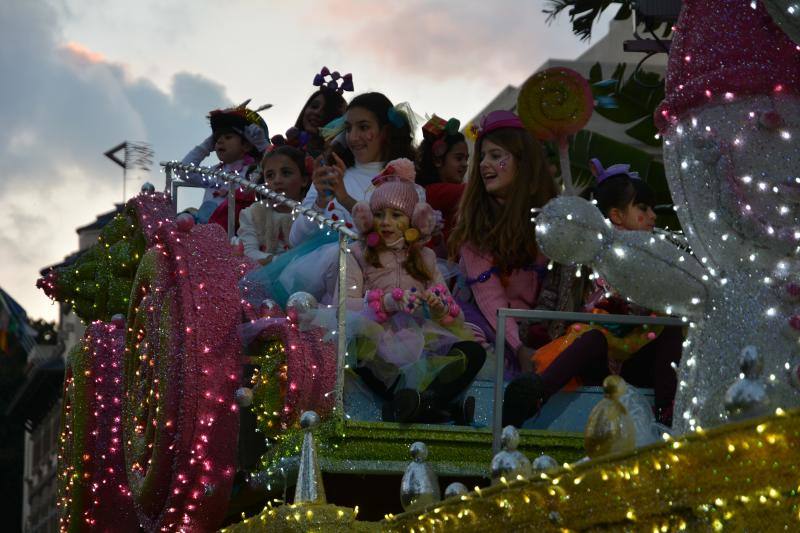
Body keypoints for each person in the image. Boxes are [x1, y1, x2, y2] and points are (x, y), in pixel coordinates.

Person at [502, 160, 683, 427]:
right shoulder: (577, 256)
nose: (653, 216)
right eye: (643, 208)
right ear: (617, 215)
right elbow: (549, 302)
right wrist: (532, 335)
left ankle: (667, 412)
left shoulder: (654, 258)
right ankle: (534, 395)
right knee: (593, 337)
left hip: (636, 358)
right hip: (594, 360)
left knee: (671, 326)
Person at [341, 159, 486, 424]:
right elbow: (343, 303)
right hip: (376, 337)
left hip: (422, 336)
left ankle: (423, 404)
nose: (386, 222)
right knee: (358, 352)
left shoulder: (426, 257)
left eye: (396, 215)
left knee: (474, 352)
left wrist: (440, 308)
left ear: (412, 221)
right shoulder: (358, 253)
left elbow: (453, 311)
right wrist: (386, 302)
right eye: (379, 214)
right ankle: (439, 410)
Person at [448, 110, 558, 376]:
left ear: (524, 163)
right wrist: (520, 347)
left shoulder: (552, 222)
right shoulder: (476, 228)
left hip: (539, 331)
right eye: (483, 156)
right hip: (487, 326)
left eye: (496, 156)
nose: (484, 164)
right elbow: (490, 299)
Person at [180, 101, 270, 225]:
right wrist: (206, 146)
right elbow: (182, 171)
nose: (220, 141)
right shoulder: (215, 172)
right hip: (204, 233)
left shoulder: (253, 171)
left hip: (235, 236)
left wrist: (262, 145)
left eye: (228, 137)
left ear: (247, 145)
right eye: (217, 139)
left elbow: (274, 168)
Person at [237, 145, 312, 264]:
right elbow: (248, 253)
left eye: (286, 173)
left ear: (304, 180)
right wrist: (282, 262)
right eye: (270, 175)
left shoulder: (312, 211)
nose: (277, 180)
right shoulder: (252, 213)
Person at [416, 115, 469, 253]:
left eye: (466, 159)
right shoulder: (434, 192)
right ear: (437, 161)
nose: (465, 164)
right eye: (459, 158)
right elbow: (476, 190)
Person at [291, 67, 350, 156]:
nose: (317, 112)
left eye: (326, 110)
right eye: (314, 106)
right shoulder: (283, 149)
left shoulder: (342, 160)